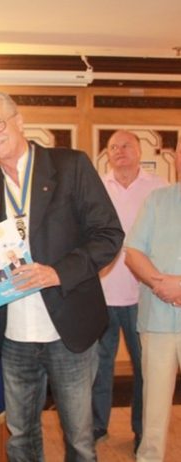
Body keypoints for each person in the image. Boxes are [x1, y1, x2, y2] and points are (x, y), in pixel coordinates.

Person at [0, 92, 124, 461]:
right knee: (20, 439)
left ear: (19, 121)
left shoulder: (70, 166)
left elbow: (108, 235)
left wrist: (56, 272)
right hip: (15, 337)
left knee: (80, 440)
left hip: (68, 332)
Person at [92, 130, 167, 450]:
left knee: (145, 369)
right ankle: (96, 426)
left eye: (126, 145)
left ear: (139, 151)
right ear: (107, 154)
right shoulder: (96, 187)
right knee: (100, 366)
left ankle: (141, 430)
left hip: (143, 296)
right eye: (113, 147)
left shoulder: (159, 188)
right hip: (102, 293)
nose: (119, 151)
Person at [125, 145, 181, 462]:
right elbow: (133, 252)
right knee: (154, 408)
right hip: (157, 321)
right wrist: (162, 285)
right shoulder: (157, 200)